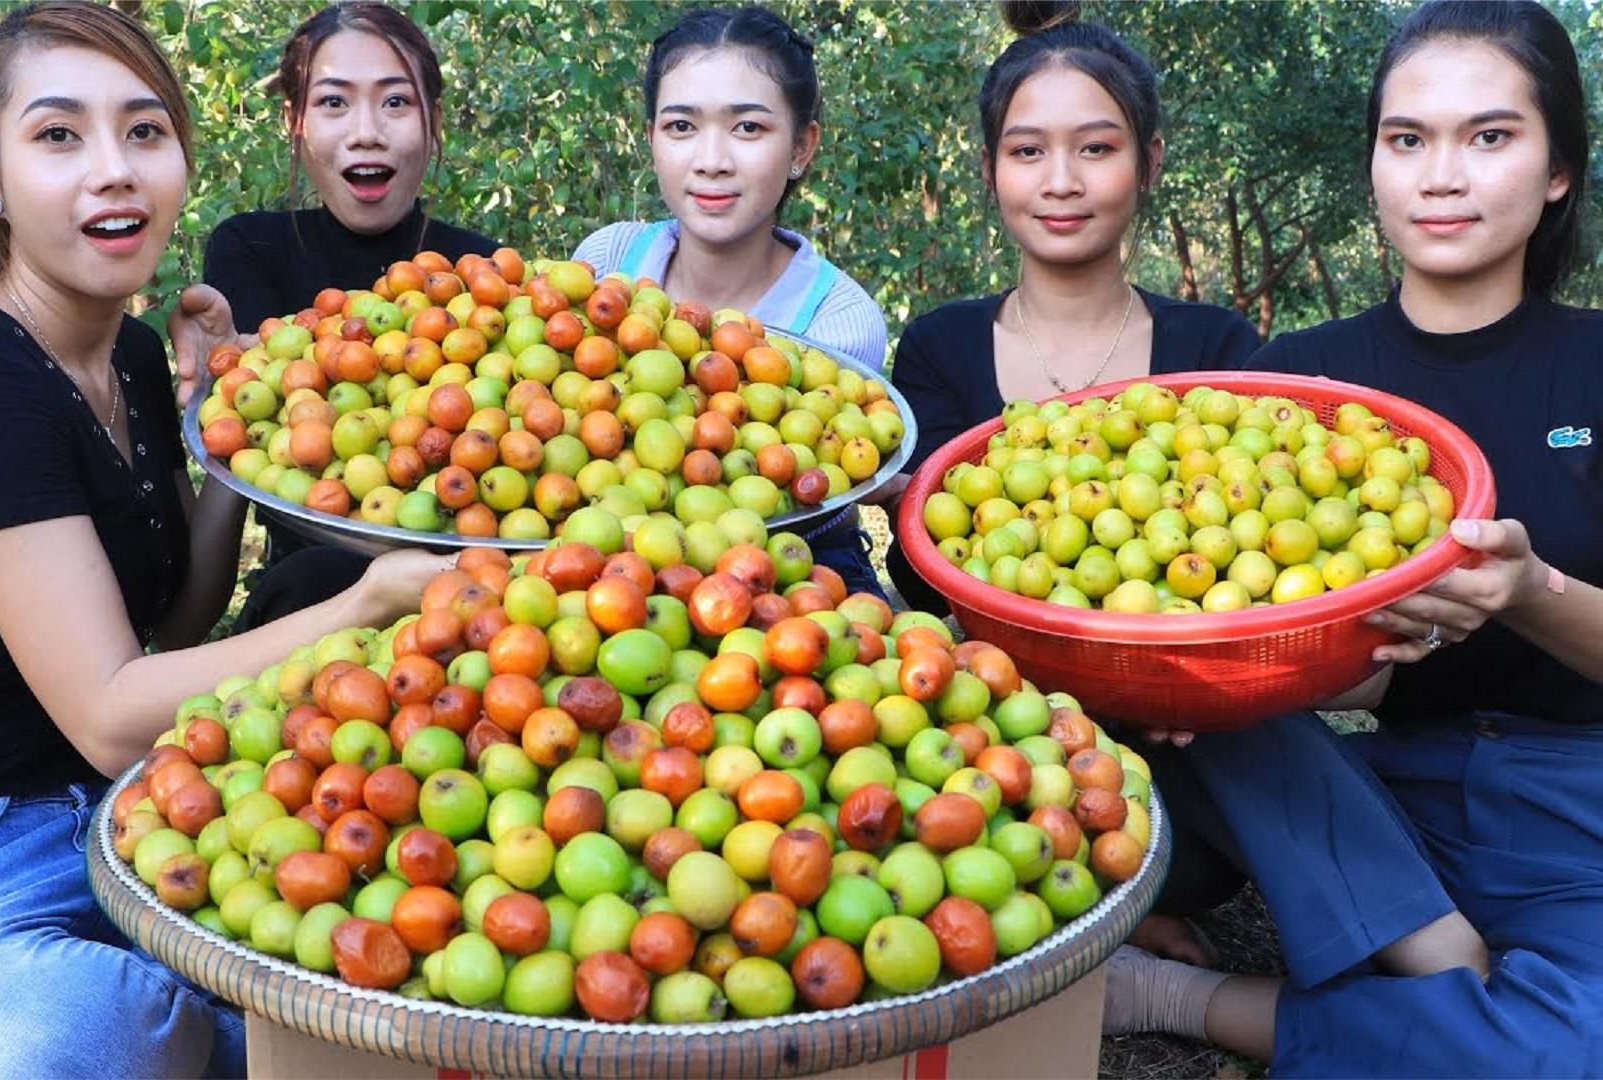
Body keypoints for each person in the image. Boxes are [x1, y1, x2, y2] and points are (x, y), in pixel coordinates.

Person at [0, 5, 455, 1074]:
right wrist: (369, 603)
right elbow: (106, 711)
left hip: (122, 814)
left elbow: (175, 625)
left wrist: (217, 423)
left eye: (145, 132)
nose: (115, 171)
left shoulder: (131, 356)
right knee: (51, 1044)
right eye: (60, 136)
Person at [1104, 4, 1603, 1074]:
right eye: (1407, 139)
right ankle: (1435, 963)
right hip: (1360, 793)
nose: (1441, 175)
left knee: (1578, 1046)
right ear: (1374, 161)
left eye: (1490, 136)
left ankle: (1199, 1002)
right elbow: (1283, 633)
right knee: (1210, 663)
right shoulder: (1296, 386)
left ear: (1560, 167)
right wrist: (1207, 671)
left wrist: (1525, 589)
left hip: (1578, 809)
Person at [884, 1, 1259, 614]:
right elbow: (929, 584)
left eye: (1095, 149)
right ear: (990, 169)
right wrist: (912, 507)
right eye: (1028, 151)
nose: (1061, 181)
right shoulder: (938, 347)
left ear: (1149, 163)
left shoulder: (1218, 349)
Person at [572, 5, 890, 598]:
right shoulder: (607, 259)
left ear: (802, 147)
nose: (712, 160)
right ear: (651, 139)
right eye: (681, 127)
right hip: (604, 561)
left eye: (748, 128)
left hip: (789, 570)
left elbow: (809, 495)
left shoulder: (837, 320)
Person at [199, 1, 500, 621]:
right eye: (334, 102)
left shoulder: (483, 272)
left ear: (433, 120)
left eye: (396, 102)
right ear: (295, 121)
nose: (367, 131)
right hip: (302, 608)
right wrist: (218, 386)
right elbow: (244, 445)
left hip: (465, 602)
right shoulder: (251, 248)